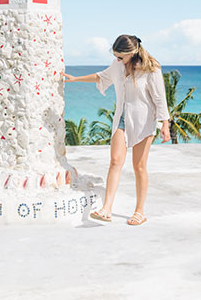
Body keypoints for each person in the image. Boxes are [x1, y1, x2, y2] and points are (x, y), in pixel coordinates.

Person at [63, 34, 171, 225]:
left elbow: (159, 97)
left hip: (144, 121)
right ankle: (106, 209)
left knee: (139, 167)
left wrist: (165, 124)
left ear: (132, 52)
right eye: (115, 56)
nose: (117, 60)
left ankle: (140, 211)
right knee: (115, 161)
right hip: (121, 118)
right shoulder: (117, 65)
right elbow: (101, 77)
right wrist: (76, 79)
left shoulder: (151, 68)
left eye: (120, 57)